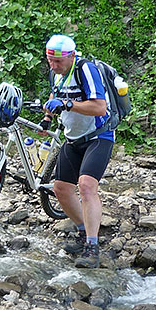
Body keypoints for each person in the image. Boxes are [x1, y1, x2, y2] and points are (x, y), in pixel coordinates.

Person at [42, 34, 114, 269]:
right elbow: (56, 94)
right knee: (60, 189)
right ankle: (84, 231)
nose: (53, 66)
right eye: (50, 61)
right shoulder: (57, 72)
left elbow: (99, 106)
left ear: (72, 56)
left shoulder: (86, 70)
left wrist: (67, 105)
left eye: (58, 62)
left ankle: (92, 247)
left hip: (98, 136)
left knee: (86, 186)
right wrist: (47, 118)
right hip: (72, 138)